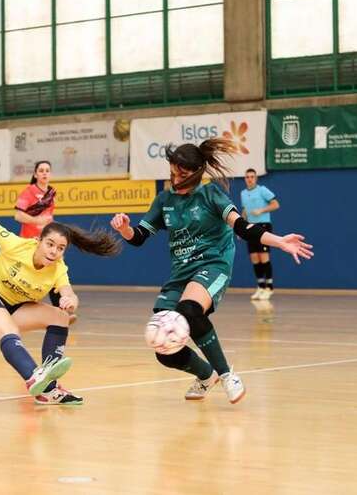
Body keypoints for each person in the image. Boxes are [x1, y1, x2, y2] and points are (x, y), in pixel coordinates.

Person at [110, 139, 313, 404]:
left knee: (189, 310)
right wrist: (124, 228)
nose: (176, 179)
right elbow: (139, 237)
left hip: (213, 264)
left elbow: (242, 227)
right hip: (181, 273)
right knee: (163, 346)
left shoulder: (211, 194)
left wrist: (280, 241)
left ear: (196, 173)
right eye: (172, 173)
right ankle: (206, 375)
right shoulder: (164, 200)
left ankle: (227, 375)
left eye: (182, 174)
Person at [0, 213, 121, 404]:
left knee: (60, 317)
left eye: (60, 248)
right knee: (9, 331)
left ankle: (49, 388)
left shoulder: (58, 268)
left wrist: (70, 300)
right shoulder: (15, 245)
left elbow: (69, 293)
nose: (54, 251)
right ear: (38, 241)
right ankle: (34, 378)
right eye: (50, 244)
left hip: (13, 307)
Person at [14, 161, 66, 311]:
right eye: (41, 170)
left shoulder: (51, 193)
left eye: (47, 170)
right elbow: (18, 215)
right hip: (30, 242)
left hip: (48, 242)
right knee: (27, 277)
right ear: (35, 174)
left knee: (54, 272)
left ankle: (61, 310)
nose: (44, 173)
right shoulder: (28, 192)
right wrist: (37, 220)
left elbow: (49, 217)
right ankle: (17, 308)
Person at [240, 168, 279, 300]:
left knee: (263, 257)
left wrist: (261, 210)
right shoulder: (243, 193)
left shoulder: (262, 190)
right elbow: (244, 211)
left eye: (252, 177)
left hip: (263, 226)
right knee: (254, 257)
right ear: (245, 179)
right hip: (250, 227)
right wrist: (240, 228)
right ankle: (261, 287)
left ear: (256, 178)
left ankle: (269, 287)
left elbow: (275, 204)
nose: (250, 179)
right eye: (247, 177)